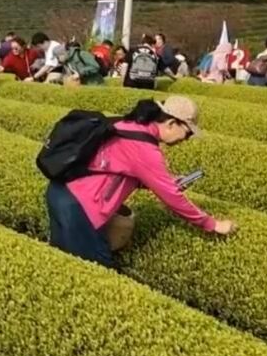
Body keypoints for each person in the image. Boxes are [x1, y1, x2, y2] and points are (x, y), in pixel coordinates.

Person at [44, 96, 236, 268]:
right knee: (98, 273)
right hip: (80, 208)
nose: (187, 139)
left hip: (61, 193)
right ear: (171, 123)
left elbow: (124, 169)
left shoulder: (131, 125)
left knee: (63, 263)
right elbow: (172, 198)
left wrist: (165, 181)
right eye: (188, 133)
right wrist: (212, 224)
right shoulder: (144, 148)